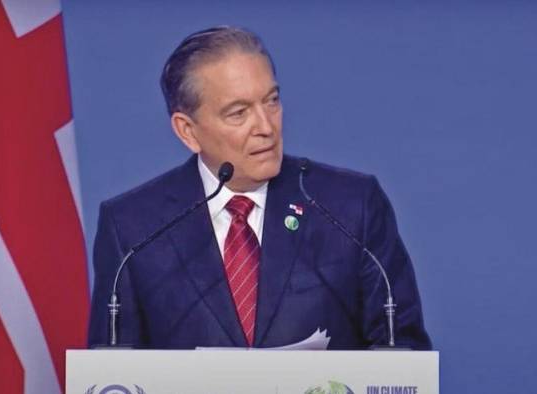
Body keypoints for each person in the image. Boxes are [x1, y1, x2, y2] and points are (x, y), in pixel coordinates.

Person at [88, 26, 431, 350]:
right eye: (239, 113)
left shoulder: (350, 207)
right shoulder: (134, 228)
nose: (266, 126)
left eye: (271, 101)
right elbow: (113, 371)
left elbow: (401, 348)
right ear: (187, 131)